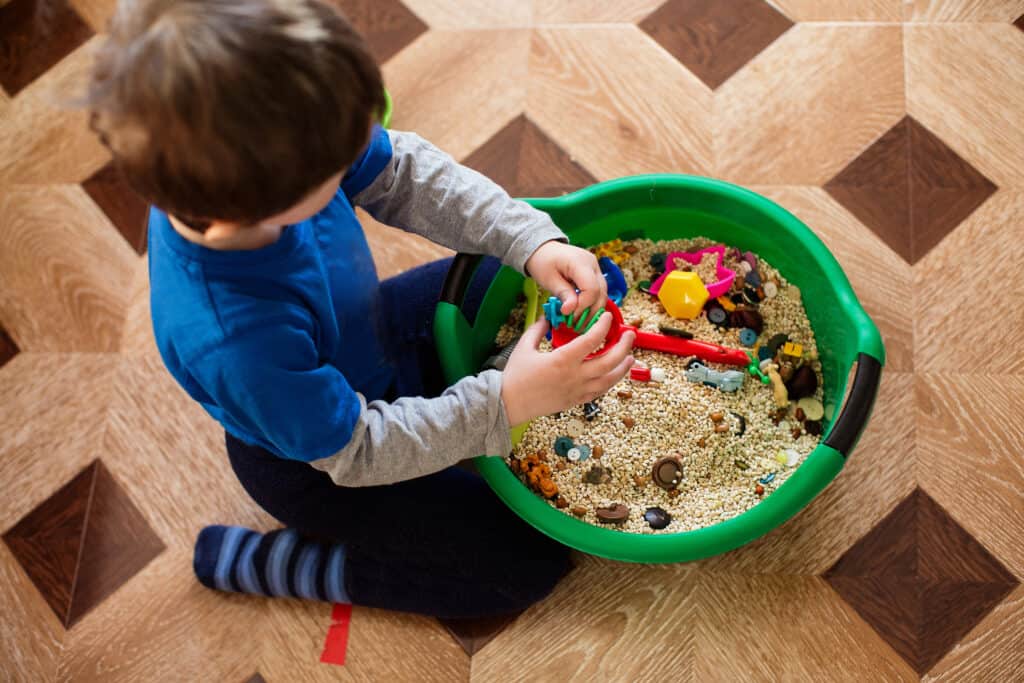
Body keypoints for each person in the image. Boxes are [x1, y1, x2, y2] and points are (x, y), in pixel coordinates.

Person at [85, 0, 635, 619]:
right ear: (259, 206)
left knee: (504, 278)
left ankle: (494, 397)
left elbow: (402, 173)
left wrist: (526, 239)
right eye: (340, 159)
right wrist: (505, 403)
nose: (362, 151)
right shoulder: (235, 341)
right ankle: (309, 566)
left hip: (371, 335)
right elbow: (358, 450)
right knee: (522, 566)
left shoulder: (274, 151)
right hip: (322, 458)